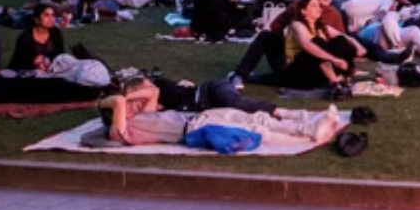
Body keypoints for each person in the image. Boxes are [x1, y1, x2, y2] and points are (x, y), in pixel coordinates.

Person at [99, 78, 340, 146]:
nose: (133, 106)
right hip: (195, 129)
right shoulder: (121, 131)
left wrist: (130, 97)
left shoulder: (144, 115)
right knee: (253, 129)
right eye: (129, 106)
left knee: (254, 117)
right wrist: (107, 103)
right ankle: (307, 132)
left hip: (200, 117)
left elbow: (151, 91)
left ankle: (310, 125)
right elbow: (120, 101)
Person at [281, 0, 356, 97]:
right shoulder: (297, 25)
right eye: (313, 6)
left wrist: (357, 46)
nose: (318, 9)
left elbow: (345, 38)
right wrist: (334, 59)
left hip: (315, 71)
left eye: (318, 6)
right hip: (298, 71)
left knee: (340, 41)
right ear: (303, 11)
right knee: (317, 42)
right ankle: (334, 83)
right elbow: (307, 45)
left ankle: (343, 78)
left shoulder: (321, 28)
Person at [8, 3, 66, 71]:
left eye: (53, 15)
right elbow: (20, 62)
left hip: (53, 70)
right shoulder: (26, 37)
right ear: (37, 20)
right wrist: (35, 61)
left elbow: (61, 55)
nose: (51, 18)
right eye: (46, 15)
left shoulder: (56, 33)